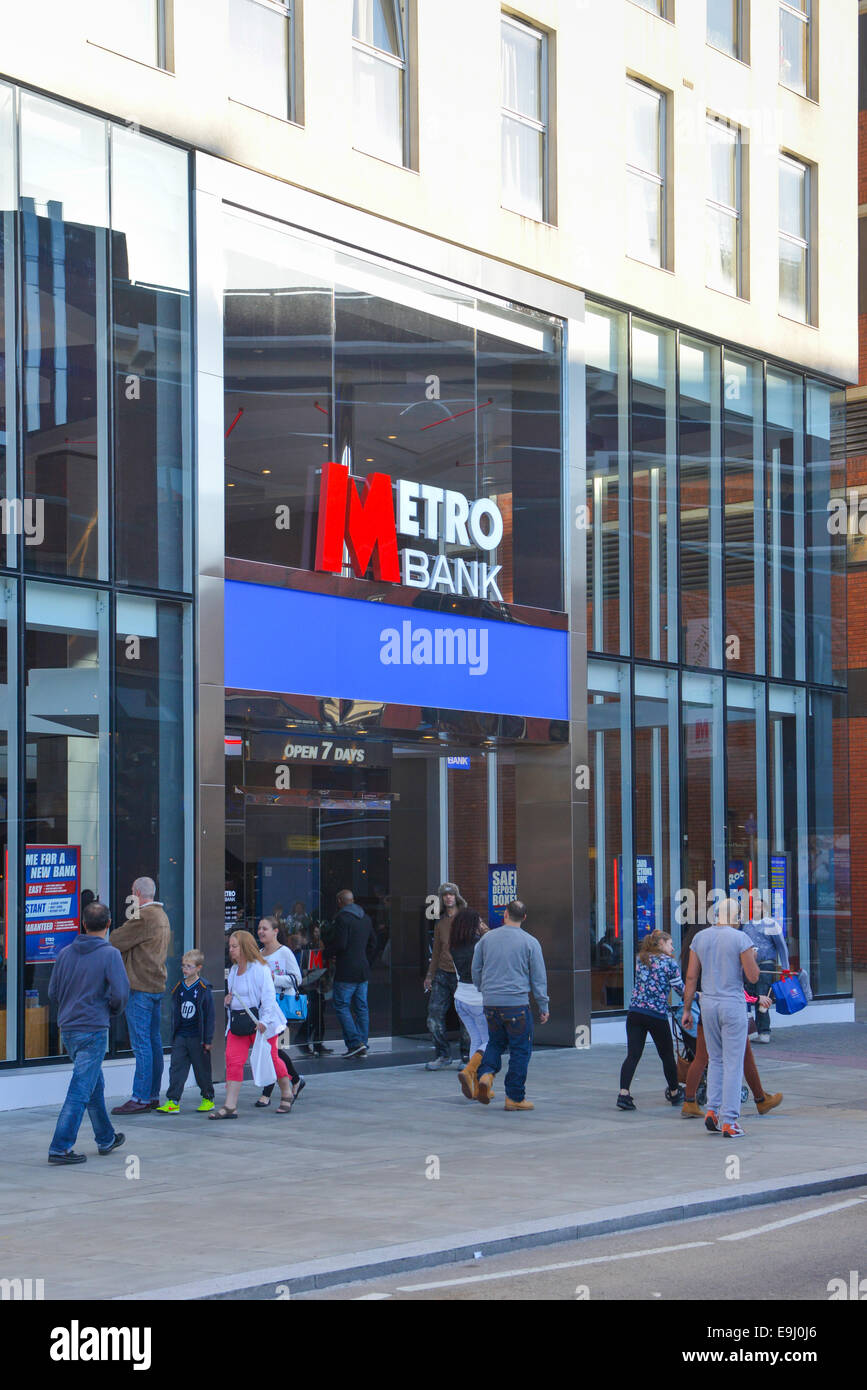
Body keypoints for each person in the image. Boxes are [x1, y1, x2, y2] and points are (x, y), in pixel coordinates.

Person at [47, 902, 129, 1164]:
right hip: (92, 1028)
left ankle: (106, 1137)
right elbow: (121, 994)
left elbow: (52, 993)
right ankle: (60, 1147)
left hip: (69, 1028)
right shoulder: (110, 954)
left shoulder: (65, 953)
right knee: (81, 1089)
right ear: (108, 924)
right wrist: (109, 1011)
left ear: (83, 924)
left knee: (93, 1084)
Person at [682, 896, 761, 1138]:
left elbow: (691, 978)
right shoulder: (740, 939)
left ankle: (712, 1111)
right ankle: (730, 1120)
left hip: (708, 1003)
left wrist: (686, 1009)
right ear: (736, 917)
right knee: (733, 1063)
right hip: (731, 1003)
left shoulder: (700, 938)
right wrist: (753, 958)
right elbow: (753, 976)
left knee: (714, 1060)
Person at [471, 900, 549, 1111]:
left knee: (495, 1042)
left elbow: (475, 967)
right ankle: (514, 1097)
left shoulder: (487, 939)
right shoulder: (530, 942)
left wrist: (482, 988)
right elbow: (538, 978)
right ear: (524, 918)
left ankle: (486, 1074)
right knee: (520, 1050)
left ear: (505, 914)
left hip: (491, 1002)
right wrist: (543, 1006)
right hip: (516, 1004)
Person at [212, 930, 295, 1118]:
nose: (230, 950)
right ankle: (230, 1105)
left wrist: (265, 1021)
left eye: (234, 946)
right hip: (239, 1022)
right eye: (230, 946)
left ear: (245, 947)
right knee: (233, 1061)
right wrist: (229, 1000)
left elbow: (268, 997)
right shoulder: (233, 971)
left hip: (262, 1023)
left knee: (272, 1059)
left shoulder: (260, 968)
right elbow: (238, 996)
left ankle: (286, 1091)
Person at [109, 876, 172, 1115]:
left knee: (142, 1044)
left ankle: (141, 1097)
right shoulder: (161, 915)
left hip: (140, 988)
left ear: (136, 892)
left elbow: (115, 939)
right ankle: (152, 1094)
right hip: (155, 986)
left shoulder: (143, 916)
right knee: (153, 1042)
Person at [617, 930, 684, 1112]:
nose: (673, 947)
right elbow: (680, 989)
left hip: (635, 1012)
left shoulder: (642, 958)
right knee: (666, 1055)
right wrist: (696, 996)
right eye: (670, 943)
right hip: (656, 1014)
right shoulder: (670, 963)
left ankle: (624, 1093)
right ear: (661, 943)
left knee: (633, 1054)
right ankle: (674, 1091)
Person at [156, 950, 215, 1114]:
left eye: (189, 966)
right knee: (176, 1067)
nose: (185, 969)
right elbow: (175, 1011)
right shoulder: (179, 987)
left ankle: (208, 1098)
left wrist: (208, 1039)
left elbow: (210, 1015)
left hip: (198, 1036)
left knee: (201, 1068)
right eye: (183, 966)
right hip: (181, 1035)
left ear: (198, 968)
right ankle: (173, 1100)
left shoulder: (203, 988)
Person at [256, 917, 305, 1108]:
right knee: (271, 1049)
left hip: (282, 1008)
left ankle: (268, 1092)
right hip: (266, 1009)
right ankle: (295, 1079)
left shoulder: (285, 952)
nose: (261, 932)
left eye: (265, 928)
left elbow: (296, 979)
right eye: (259, 928)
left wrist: (273, 978)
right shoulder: (259, 954)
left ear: (275, 931)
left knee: (273, 1049)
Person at [328, 890, 377, 1059]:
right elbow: (373, 943)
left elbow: (340, 944)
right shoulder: (365, 918)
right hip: (363, 970)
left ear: (340, 901)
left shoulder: (343, 918)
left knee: (342, 1005)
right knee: (361, 1008)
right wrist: (366, 960)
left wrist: (327, 952)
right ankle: (362, 1043)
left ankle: (356, 1044)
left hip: (346, 970)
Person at [423, 881, 467, 1071]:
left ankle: (466, 1056)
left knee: (465, 1016)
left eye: (451, 894)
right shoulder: (440, 923)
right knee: (433, 1015)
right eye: (445, 895)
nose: (448, 897)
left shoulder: (468, 918)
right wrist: (429, 975)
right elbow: (437, 952)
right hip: (442, 973)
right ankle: (443, 1055)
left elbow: (486, 937)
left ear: (456, 897)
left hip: (462, 975)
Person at [451, 909, 489, 1100]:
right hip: (478, 1000)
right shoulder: (480, 944)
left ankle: (474, 1084)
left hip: (460, 999)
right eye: (478, 921)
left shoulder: (454, 946)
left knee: (476, 1039)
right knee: (492, 1041)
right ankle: (470, 1071)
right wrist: (486, 932)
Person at [740, 902, 790, 1043]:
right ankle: (751, 1030)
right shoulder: (747, 925)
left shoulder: (771, 925)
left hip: (766, 964)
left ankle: (764, 1031)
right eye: (754, 907)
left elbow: (781, 946)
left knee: (762, 996)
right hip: (750, 965)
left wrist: (785, 968)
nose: (756, 909)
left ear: (764, 909)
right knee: (750, 995)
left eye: (759, 907)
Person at [295, 924, 332, 1057]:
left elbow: (315, 970)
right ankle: (305, 1041)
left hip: (316, 987)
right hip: (312, 987)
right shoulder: (307, 949)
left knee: (317, 1016)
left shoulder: (314, 948)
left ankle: (316, 1043)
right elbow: (311, 971)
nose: (317, 934)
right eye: (315, 932)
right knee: (313, 1016)